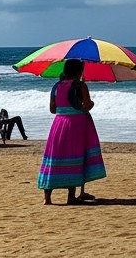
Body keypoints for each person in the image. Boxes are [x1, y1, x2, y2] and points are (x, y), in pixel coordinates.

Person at [37, 59, 105, 205]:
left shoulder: (56, 86)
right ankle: (71, 197)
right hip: (76, 124)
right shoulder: (80, 86)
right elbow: (87, 106)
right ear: (79, 71)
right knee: (74, 156)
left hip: (59, 123)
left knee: (54, 157)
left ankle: (47, 198)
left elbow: (52, 109)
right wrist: (90, 102)